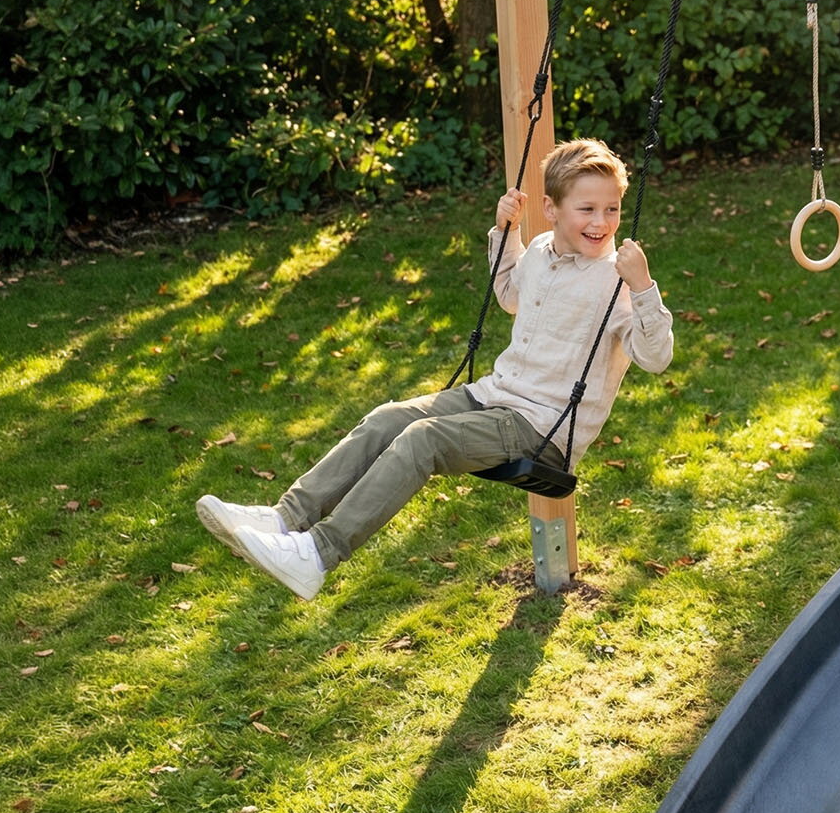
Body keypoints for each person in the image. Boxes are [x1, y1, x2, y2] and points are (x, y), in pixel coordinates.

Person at [196, 139, 674, 599]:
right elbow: (509, 295)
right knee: (388, 418)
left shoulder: (616, 280)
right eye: (587, 209)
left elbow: (655, 357)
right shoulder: (544, 251)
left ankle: (317, 555)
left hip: (541, 428)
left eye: (611, 209)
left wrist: (644, 286)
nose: (602, 222)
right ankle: (284, 519)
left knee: (422, 440)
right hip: (493, 395)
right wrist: (506, 236)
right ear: (551, 209)